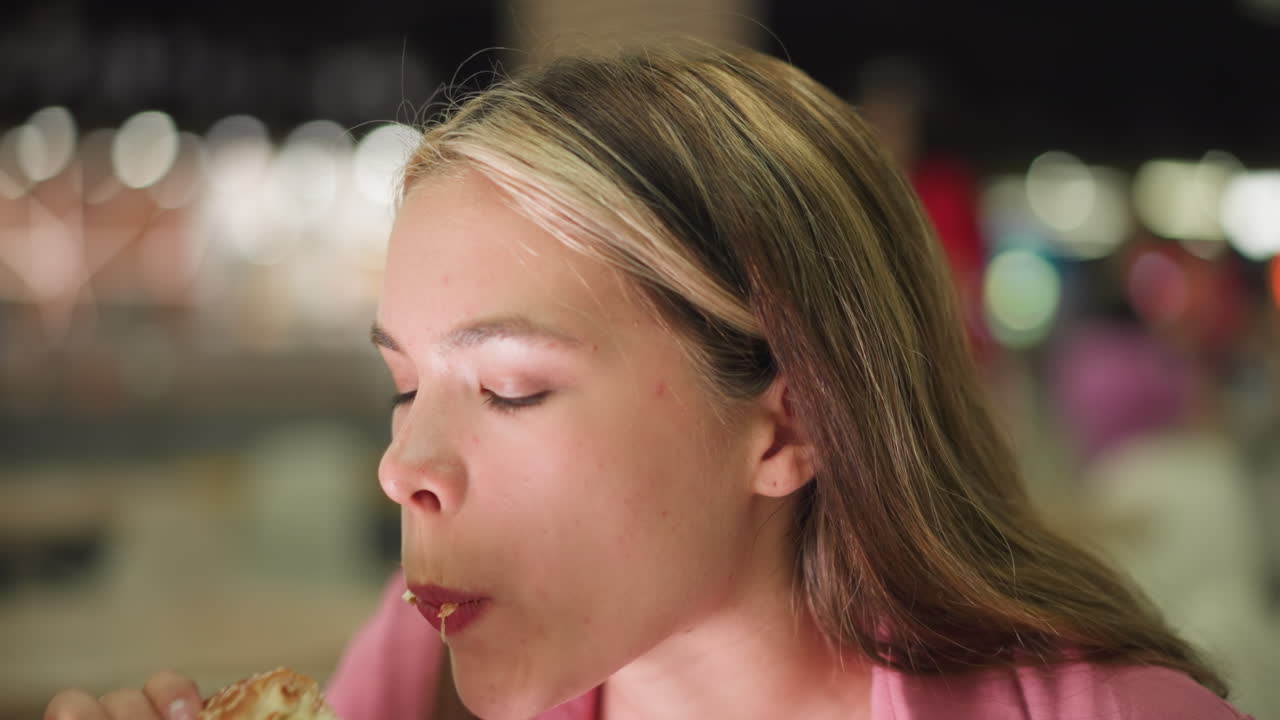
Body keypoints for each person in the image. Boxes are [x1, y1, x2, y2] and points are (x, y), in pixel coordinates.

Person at [45, 45, 1253, 720]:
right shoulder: (408, 681)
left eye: (509, 388)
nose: (401, 468)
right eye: (404, 387)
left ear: (786, 423)